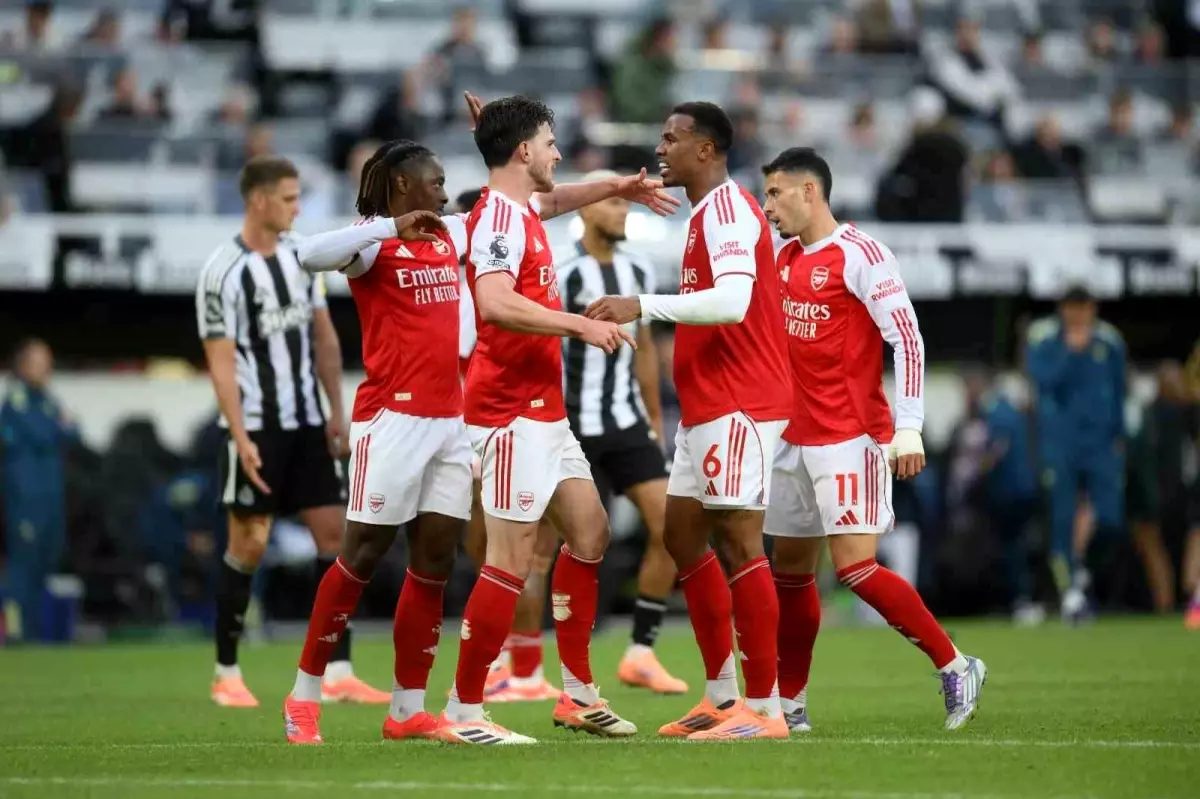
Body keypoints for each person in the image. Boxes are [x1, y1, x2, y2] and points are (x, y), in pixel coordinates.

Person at [440, 93, 678, 745]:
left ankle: (577, 695)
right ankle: (464, 709)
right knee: (510, 558)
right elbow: (493, 301)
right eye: (549, 142)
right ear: (523, 151)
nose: (558, 153)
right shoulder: (498, 218)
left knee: (591, 532)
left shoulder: (522, 206)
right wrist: (579, 324)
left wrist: (620, 186)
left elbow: (559, 196)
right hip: (508, 413)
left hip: (544, 412)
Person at [758, 147, 986, 732]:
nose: (769, 206)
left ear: (810, 192)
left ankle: (956, 664)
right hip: (789, 437)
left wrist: (909, 427)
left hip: (849, 435)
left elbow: (907, 339)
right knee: (791, 573)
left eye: (776, 193)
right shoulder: (780, 255)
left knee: (855, 568)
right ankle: (791, 703)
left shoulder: (862, 254)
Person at [586, 101, 793, 740]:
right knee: (680, 535)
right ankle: (723, 696)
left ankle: (767, 709)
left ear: (705, 149)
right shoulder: (703, 214)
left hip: (741, 400)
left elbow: (731, 302)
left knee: (740, 543)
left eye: (671, 138)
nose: (661, 148)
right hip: (708, 405)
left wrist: (641, 305)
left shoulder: (728, 210)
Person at [279, 141, 473, 744]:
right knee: (360, 555)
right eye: (435, 182)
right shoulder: (370, 243)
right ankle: (304, 695)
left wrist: (612, 187)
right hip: (392, 420)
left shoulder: (450, 234)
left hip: (451, 422)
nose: (444, 192)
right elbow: (306, 255)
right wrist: (391, 226)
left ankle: (407, 708)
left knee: (435, 562)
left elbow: (530, 209)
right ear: (402, 185)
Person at [481, 170, 687, 703]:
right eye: (614, 204)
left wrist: (653, 419)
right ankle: (522, 664)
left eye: (625, 206)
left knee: (674, 528)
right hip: (569, 422)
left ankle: (640, 652)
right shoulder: (563, 271)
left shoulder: (639, 268)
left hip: (625, 422)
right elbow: (536, 334)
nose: (621, 212)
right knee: (541, 551)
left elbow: (643, 350)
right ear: (588, 211)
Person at [195, 156, 385, 708]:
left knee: (336, 537)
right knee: (249, 543)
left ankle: (339, 669)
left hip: (308, 423)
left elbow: (324, 337)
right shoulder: (222, 271)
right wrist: (239, 436)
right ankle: (226, 671)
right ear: (258, 200)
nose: (297, 209)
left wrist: (336, 411)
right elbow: (220, 362)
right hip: (256, 427)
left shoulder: (303, 256)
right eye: (288, 198)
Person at [1026, 286, 1126, 623]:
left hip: (1101, 446)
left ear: (1092, 308)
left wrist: (1119, 436)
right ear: (1063, 309)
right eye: (1072, 307)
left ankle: (1082, 572)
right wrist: (1071, 352)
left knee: (1109, 520)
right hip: (1061, 444)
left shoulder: (1109, 342)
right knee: (1062, 519)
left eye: (1083, 307)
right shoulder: (1044, 340)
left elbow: (1120, 391)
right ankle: (1070, 594)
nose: (1078, 314)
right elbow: (1042, 382)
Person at [0, 339, 74, 641]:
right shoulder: (16, 401)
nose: (46, 368)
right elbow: (46, 432)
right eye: (40, 362)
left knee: (45, 564)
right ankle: (16, 631)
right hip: (25, 500)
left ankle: (35, 633)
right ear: (23, 366)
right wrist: (60, 427)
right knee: (23, 567)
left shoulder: (47, 400)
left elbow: (73, 433)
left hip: (51, 499)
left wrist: (61, 427)